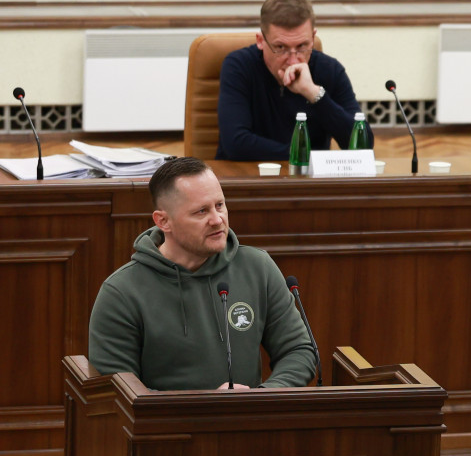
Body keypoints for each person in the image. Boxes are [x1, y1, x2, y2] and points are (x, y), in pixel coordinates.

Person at [88, 157, 316, 390]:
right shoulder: (121, 292)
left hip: (249, 412)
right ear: (163, 221)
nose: (217, 220)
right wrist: (205, 406)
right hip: (166, 416)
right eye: (201, 211)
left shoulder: (258, 267)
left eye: (220, 205)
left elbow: (299, 350)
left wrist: (261, 397)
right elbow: (117, 391)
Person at [216, 0, 372, 160]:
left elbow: (363, 145)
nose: (293, 60)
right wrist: (306, 156)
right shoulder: (239, 66)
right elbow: (236, 144)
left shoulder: (330, 69)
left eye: (302, 46)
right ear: (260, 41)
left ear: (312, 38)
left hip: (308, 175)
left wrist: (314, 94)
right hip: (247, 174)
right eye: (280, 47)